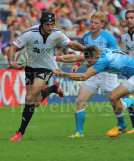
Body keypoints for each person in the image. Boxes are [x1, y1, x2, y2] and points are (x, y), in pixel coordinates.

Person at [8, 11, 86, 141]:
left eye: (52, 24)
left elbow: (71, 44)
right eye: (47, 25)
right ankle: (53, 89)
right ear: (41, 23)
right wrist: (11, 62)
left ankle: (20, 132)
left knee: (29, 96)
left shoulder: (57, 33)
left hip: (47, 67)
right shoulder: (29, 33)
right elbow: (12, 47)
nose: (50, 27)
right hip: (30, 67)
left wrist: (85, 50)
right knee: (34, 102)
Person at [67, 12, 134, 137]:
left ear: (102, 25)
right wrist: (77, 64)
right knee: (80, 100)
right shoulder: (86, 37)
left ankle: (130, 103)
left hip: (107, 74)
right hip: (92, 73)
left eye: (96, 23)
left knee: (118, 104)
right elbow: (86, 54)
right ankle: (79, 132)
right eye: (92, 22)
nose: (93, 25)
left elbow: (117, 54)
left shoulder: (109, 37)